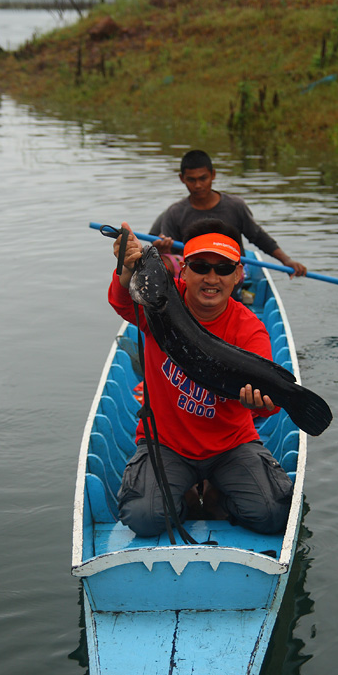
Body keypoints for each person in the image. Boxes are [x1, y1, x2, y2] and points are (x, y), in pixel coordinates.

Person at [108, 217, 294, 537]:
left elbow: (269, 407)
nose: (211, 278)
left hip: (231, 446)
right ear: (183, 270)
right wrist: (126, 269)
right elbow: (124, 301)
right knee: (143, 517)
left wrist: (262, 402)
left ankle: (218, 492)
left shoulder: (249, 330)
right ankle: (186, 496)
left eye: (223, 270)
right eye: (201, 267)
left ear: (238, 275)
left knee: (275, 514)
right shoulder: (161, 302)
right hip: (165, 443)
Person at [150, 149, 307, 277]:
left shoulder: (235, 206)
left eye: (203, 178)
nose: (198, 185)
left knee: (222, 273)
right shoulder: (175, 213)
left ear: (213, 175)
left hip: (231, 270)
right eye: (191, 180)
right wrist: (164, 252)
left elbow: (258, 236)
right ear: (182, 179)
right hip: (195, 272)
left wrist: (287, 261)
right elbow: (171, 258)